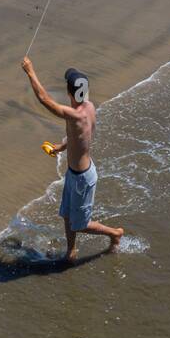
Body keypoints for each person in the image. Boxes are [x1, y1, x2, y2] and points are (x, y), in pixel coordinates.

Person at [21, 58, 123, 260]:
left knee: (81, 224)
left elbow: (44, 100)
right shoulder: (89, 107)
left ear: (70, 92)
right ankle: (71, 251)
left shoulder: (74, 115)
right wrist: (62, 146)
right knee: (67, 215)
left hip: (82, 179)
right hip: (75, 174)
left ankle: (115, 233)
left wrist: (30, 72)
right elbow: (80, 136)